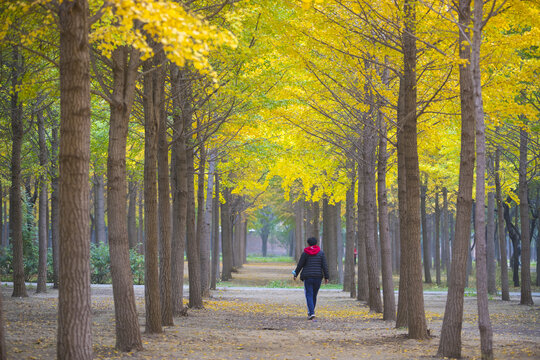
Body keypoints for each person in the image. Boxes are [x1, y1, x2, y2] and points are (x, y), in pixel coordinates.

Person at [292, 237, 329, 320]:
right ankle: (311, 312)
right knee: (314, 295)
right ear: (316, 243)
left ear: (308, 243)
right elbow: (324, 266)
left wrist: (295, 274)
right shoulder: (321, 253)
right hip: (318, 277)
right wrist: (326, 277)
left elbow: (300, 264)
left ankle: (311, 312)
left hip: (308, 277)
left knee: (309, 294)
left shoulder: (305, 253)